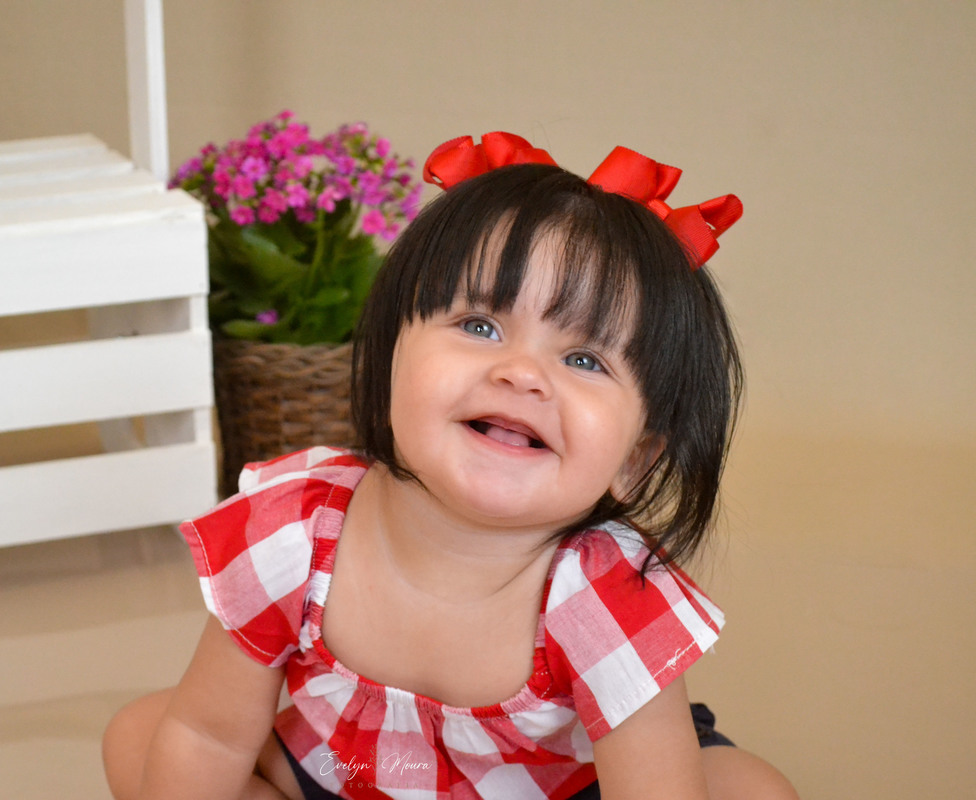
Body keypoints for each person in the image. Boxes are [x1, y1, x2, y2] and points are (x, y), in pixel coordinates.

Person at [102, 133, 799, 800]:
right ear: (390, 354)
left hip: (564, 786)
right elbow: (207, 736)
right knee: (143, 736)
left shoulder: (603, 597)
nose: (522, 373)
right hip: (343, 770)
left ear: (636, 461)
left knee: (754, 791)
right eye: (480, 326)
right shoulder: (295, 529)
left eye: (585, 360)